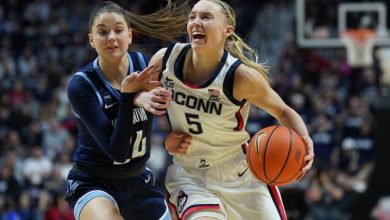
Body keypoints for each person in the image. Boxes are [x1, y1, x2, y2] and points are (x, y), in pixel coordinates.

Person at [147, 0, 315, 219]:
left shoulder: (241, 77)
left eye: (206, 17)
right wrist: (163, 139)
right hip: (190, 174)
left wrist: (304, 138)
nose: (196, 22)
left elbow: (283, 111)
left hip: (239, 173)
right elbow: (137, 99)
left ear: (228, 30)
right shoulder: (165, 61)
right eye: (192, 17)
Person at [65, 1, 189, 220]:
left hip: (138, 179)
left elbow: (173, 103)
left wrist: (171, 135)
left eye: (118, 30)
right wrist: (129, 98)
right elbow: (118, 153)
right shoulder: (81, 85)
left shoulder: (146, 65)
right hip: (94, 182)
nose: (111, 37)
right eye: (102, 32)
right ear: (91, 40)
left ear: (130, 35)